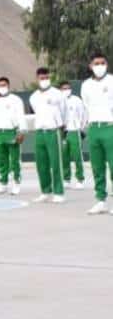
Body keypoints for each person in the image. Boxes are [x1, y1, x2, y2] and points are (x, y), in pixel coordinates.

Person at [28, 67, 67, 204]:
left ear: (49, 77)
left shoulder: (57, 94)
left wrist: (62, 127)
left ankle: (59, 192)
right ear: (37, 79)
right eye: (41, 78)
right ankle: (45, 191)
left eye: (46, 78)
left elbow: (64, 111)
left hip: (53, 131)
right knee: (41, 164)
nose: (44, 80)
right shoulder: (33, 97)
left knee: (56, 163)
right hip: (39, 132)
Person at [81, 53, 113, 215]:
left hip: (110, 127)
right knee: (97, 167)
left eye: (102, 63)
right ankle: (101, 201)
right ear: (90, 66)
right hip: (94, 128)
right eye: (96, 63)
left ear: (106, 64)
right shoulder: (86, 85)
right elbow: (86, 107)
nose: (99, 66)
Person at [0, 77, 27, 196]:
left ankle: (16, 183)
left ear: (9, 86)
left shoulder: (16, 100)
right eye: (0, 85)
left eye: (4, 85)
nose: (2, 87)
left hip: (12, 132)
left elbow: (21, 116)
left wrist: (22, 131)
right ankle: (3, 183)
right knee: (2, 160)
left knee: (14, 160)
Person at [59, 81, 86, 189]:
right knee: (64, 156)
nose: (66, 90)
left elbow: (84, 114)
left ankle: (80, 179)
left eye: (68, 88)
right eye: (64, 88)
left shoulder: (77, 100)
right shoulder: (58, 101)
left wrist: (80, 127)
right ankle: (66, 179)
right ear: (60, 90)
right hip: (62, 132)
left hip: (74, 130)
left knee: (77, 156)